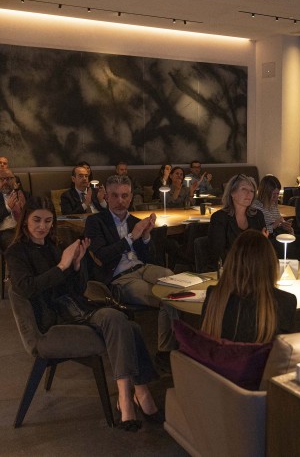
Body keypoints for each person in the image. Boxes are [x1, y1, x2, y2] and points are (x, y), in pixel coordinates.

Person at [6, 196, 162, 431]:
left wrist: (77, 265)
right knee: (121, 321)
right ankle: (132, 396)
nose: (42, 226)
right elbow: (27, 288)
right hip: (53, 321)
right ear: (25, 220)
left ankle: (135, 394)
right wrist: (62, 266)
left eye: (48, 221)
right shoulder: (16, 252)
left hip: (77, 309)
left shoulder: (54, 245)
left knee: (128, 325)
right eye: (36, 220)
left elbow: (77, 290)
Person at [84, 175, 176, 371]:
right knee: (166, 297)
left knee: (173, 280)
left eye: (125, 196)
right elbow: (102, 255)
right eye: (115, 196)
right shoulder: (95, 221)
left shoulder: (135, 221)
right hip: (120, 277)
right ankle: (165, 353)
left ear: (131, 196)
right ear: (106, 197)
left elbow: (150, 257)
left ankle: (183, 345)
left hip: (143, 268)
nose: (120, 201)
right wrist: (131, 237)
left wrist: (146, 237)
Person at [201, 230, 297, 343]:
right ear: (270, 264)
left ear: (232, 261)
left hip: (219, 355)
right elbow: (284, 351)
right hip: (263, 355)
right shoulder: (285, 302)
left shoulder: (214, 296)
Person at [208, 174, 266, 269]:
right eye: (244, 189)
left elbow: (263, 249)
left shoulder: (258, 215)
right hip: (229, 269)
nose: (249, 194)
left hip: (254, 268)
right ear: (232, 193)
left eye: (252, 191)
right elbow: (218, 254)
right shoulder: (219, 218)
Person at [0, 167, 26, 251]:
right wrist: (8, 208)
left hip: (25, 228)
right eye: (1, 179)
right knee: (16, 247)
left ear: (14, 180)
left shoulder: (24, 195)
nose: (5, 182)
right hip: (6, 231)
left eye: (8, 179)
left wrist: (25, 208)